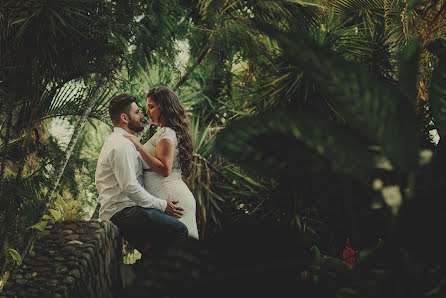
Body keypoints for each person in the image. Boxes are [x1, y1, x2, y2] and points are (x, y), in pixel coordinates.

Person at [95, 93, 188, 257]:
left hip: (128, 211)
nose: (142, 115)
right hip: (122, 213)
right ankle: (138, 270)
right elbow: (130, 187)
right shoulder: (121, 144)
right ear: (125, 117)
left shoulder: (128, 142)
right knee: (179, 230)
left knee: (156, 248)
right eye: (137, 112)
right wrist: (162, 205)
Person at [124, 86, 199, 239]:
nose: (147, 111)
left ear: (163, 107)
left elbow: (165, 169)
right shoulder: (165, 132)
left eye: (151, 107)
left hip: (171, 199)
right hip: (169, 198)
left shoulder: (166, 133)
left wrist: (139, 146)